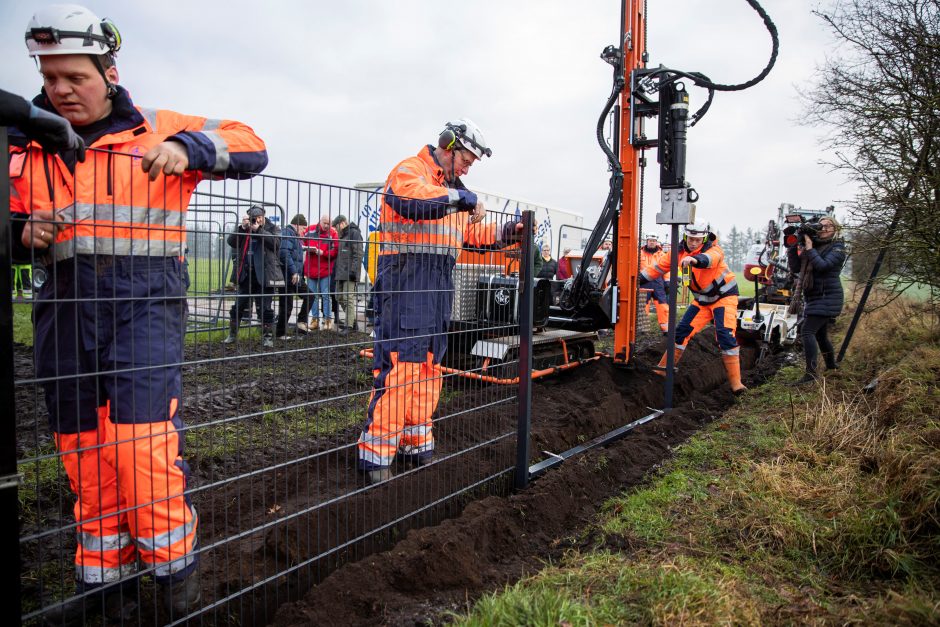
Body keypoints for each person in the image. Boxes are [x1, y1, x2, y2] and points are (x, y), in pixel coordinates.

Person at [9, 5, 268, 620]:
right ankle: (105, 589)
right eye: (50, 78)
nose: (61, 90)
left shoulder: (156, 126)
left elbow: (250, 141)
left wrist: (189, 148)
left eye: (76, 77)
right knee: (82, 453)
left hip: (144, 304)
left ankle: (176, 580)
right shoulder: (23, 143)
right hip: (66, 308)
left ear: (110, 70)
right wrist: (21, 231)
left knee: (139, 447)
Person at [357, 117, 524, 484]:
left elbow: (473, 237)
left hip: (436, 286)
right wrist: (464, 198)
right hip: (405, 282)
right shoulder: (411, 170)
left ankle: (416, 444)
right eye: (466, 158)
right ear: (448, 146)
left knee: (429, 366)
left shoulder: (452, 193)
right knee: (401, 366)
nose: (468, 167)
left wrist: (509, 232)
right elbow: (410, 200)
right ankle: (377, 456)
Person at [641, 222, 747, 394]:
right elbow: (657, 268)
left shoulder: (714, 249)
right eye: (691, 238)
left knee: (725, 335)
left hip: (724, 297)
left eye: (698, 240)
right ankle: (661, 371)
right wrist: (636, 279)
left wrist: (694, 259)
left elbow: (709, 259)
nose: (693, 243)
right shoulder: (677, 252)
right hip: (702, 301)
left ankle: (737, 385)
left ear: (704, 238)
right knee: (681, 333)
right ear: (685, 236)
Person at [787, 216, 846, 384]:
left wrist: (810, 247)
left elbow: (823, 266)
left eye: (829, 226)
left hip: (827, 297)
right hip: (815, 296)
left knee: (807, 331)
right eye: (822, 226)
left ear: (836, 230)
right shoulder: (816, 246)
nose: (824, 229)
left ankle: (811, 374)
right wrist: (794, 246)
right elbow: (797, 268)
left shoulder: (838, 248)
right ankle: (831, 366)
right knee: (820, 335)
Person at [224, 206, 285, 347]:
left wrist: (259, 230)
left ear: (263, 216)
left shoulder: (272, 228)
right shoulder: (245, 229)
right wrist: (242, 228)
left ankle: (267, 338)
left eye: (258, 217)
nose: (256, 220)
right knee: (238, 306)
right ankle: (232, 335)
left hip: (265, 275)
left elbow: (276, 244)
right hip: (246, 274)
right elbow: (231, 242)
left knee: (265, 308)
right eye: (253, 217)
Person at [276, 214, 312, 337]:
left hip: (296, 276)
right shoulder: (287, 233)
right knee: (286, 305)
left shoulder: (295, 236)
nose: (303, 232)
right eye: (303, 229)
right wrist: (294, 272)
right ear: (297, 225)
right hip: (288, 276)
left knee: (310, 295)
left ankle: (301, 323)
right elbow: (284, 254)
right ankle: (280, 333)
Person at [303, 214, 339, 331]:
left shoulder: (333, 234)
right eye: (325, 223)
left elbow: (335, 251)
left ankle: (328, 320)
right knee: (312, 296)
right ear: (320, 221)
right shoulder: (309, 230)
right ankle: (315, 320)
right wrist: (306, 248)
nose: (327, 226)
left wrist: (323, 253)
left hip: (325, 269)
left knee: (326, 295)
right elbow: (301, 242)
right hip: (311, 269)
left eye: (329, 224)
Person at [332, 214, 365, 334]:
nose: (336, 230)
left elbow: (358, 253)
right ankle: (352, 321)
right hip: (341, 272)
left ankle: (349, 326)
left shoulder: (354, 234)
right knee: (339, 297)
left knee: (348, 298)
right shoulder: (343, 235)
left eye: (336, 227)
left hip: (349, 272)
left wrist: (353, 271)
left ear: (342, 223)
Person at [639, 233, 669, 333]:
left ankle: (665, 327)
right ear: (647, 241)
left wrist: (667, 282)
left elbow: (667, 269)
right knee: (643, 304)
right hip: (643, 282)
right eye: (650, 240)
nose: (652, 242)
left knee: (662, 305)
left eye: (654, 240)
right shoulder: (639, 253)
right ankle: (643, 328)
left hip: (658, 282)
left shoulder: (662, 255)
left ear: (656, 242)